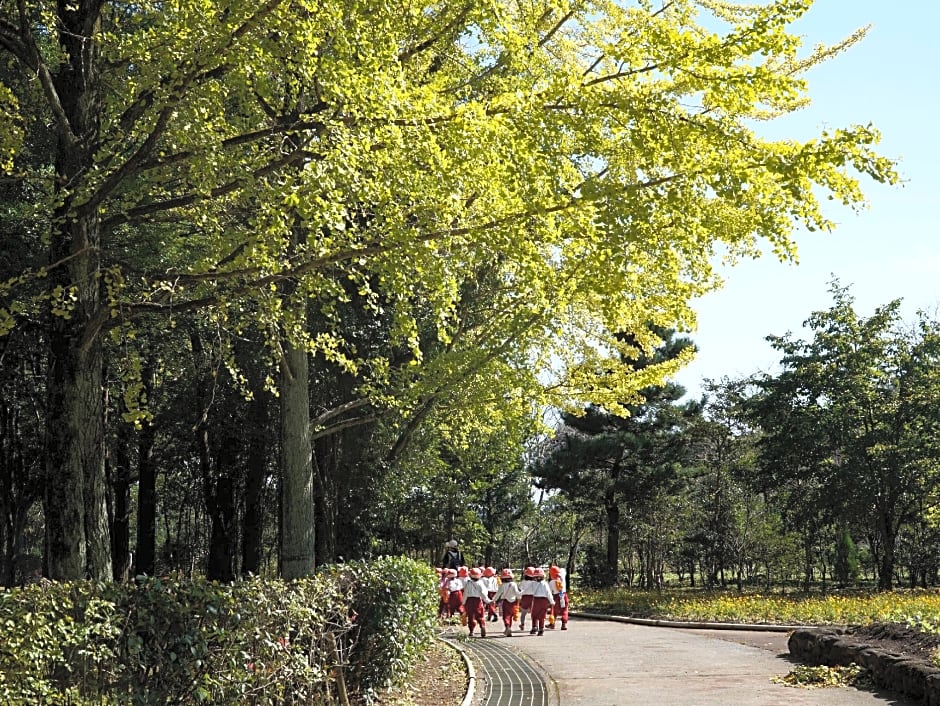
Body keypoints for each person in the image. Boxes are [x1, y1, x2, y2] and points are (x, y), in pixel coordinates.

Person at [462, 567, 492, 637]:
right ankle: (482, 625)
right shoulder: (480, 583)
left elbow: (465, 593)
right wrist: (487, 600)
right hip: (478, 601)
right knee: (480, 615)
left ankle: (471, 631)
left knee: (471, 616)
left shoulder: (468, 583)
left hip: (469, 601)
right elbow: (483, 593)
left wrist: (463, 602)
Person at [493, 568, 522, 636]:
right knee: (511, 616)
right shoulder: (514, 584)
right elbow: (517, 593)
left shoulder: (502, 585)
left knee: (506, 616)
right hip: (513, 602)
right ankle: (509, 627)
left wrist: (493, 600)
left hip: (505, 602)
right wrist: (519, 598)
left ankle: (507, 626)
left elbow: (498, 594)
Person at [528, 567, 555, 636]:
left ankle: (534, 627)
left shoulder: (533, 583)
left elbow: (528, 591)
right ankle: (541, 629)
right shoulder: (545, 584)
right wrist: (552, 601)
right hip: (544, 601)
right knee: (542, 616)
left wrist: (520, 594)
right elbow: (548, 593)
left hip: (536, 600)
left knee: (534, 614)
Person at [548, 565, 569, 630]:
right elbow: (563, 570)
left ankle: (552, 624)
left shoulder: (551, 582)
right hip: (563, 595)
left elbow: (549, 591)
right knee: (564, 610)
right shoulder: (562, 579)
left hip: (556, 596)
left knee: (554, 610)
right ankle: (564, 624)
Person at [518, 566, 535, 631]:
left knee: (523, 613)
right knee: (533, 613)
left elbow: (519, 589)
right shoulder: (534, 583)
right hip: (532, 598)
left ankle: (522, 624)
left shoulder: (523, 582)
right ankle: (534, 625)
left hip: (524, 598)